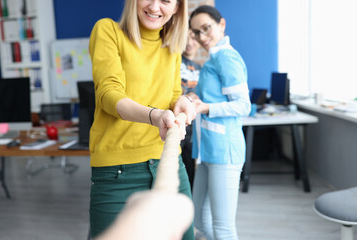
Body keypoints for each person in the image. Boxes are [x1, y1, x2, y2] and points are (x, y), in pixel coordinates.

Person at [88, 0, 196, 239]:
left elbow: (173, 95)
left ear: (177, 7)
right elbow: (108, 94)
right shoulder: (107, 30)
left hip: (168, 165)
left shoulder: (172, 45)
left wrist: (182, 103)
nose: (155, 6)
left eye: (166, 1)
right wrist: (154, 115)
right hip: (117, 172)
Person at [189, 5, 251, 240]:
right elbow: (216, 98)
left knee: (223, 228)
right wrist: (197, 99)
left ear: (221, 25)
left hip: (225, 152)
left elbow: (243, 105)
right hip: (208, 152)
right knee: (200, 222)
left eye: (206, 29)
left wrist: (205, 107)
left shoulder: (227, 57)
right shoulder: (214, 59)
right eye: (196, 32)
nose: (202, 37)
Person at [180, 29, 201, 190]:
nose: (189, 43)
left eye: (193, 38)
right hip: (178, 123)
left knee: (189, 169)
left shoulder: (199, 68)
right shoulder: (176, 61)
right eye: (185, 38)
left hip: (193, 127)